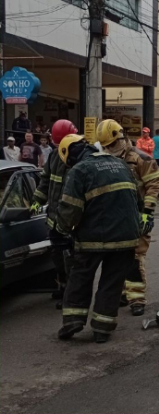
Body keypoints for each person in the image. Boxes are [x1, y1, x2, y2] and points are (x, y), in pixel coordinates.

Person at [55, 134, 140, 343]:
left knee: (80, 276)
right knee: (112, 282)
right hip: (127, 237)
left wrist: (61, 229)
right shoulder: (120, 164)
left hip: (94, 238)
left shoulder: (80, 170)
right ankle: (102, 328)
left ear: (69, 155)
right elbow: (136, 199)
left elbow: (70, 209)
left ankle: (72, 321)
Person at [96, 120, 159, 317]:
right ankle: (123, 293)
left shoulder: (141, 158)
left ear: (121, 137)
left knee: (134, 258)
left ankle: (137, 299)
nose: (109, 149)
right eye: (105, 146)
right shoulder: (105, 159)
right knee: (117, 258)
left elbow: (154, 185)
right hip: (115, 217)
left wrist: (147, 213)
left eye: (112, 145)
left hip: (136, 215)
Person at [31, 120, 78, 307]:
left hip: (70, 218)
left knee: (70, 257)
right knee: (57, 256)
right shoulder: (53, 157)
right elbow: (45, 181)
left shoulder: (78, 158)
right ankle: (63, 285)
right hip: (54, 216)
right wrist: (36, 201)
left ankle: (71, 294)